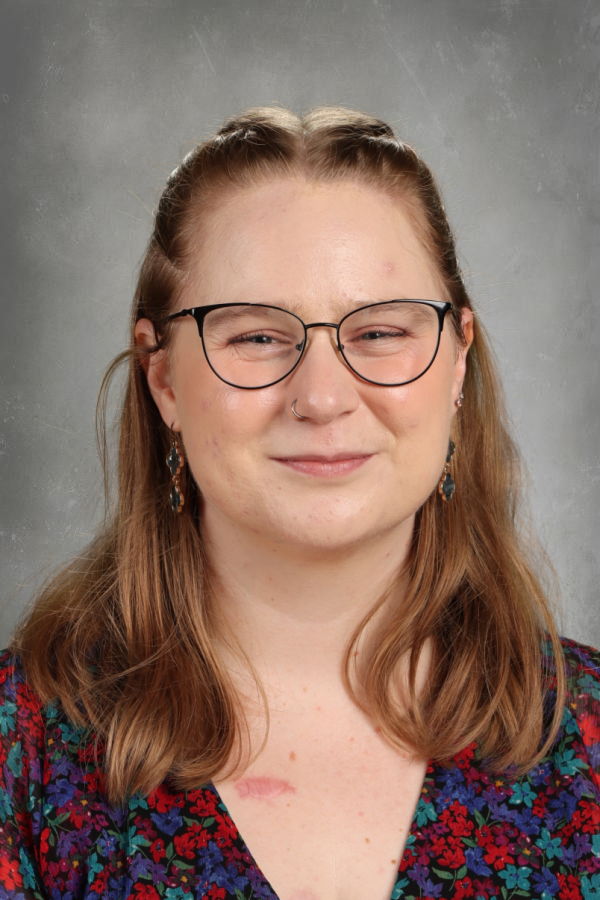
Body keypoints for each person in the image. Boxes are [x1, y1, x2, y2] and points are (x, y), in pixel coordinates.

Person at [0, 106, 598, 900]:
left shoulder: (588, 742)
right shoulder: (23, 753)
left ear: (458, 364)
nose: (321, 397)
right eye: (255, 336)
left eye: (381, 333)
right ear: (164, 380)